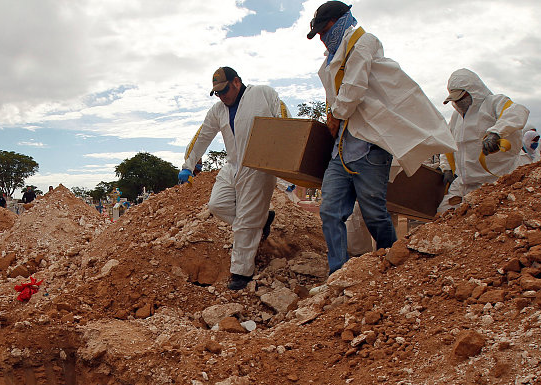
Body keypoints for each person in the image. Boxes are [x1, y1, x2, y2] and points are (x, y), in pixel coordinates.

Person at [307, 1, 455, 274]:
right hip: (342, 148)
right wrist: (334, 118)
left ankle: (391, 265)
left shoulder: (363, 43)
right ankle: (337, 272)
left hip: (370, 147)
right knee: (330, 211)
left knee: (374, 214)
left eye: (324, 30)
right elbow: (338, 94)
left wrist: (335, 114)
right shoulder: (332, 59)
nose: (322, 38)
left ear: (340, 21)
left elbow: (354, 88)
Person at [181, 67, 286, 290]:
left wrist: (286, 162)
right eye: (217, 93)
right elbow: (202, 136)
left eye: (224, 90)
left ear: (236, 82)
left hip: (259, 166)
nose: (222, 96)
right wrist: (188, 166)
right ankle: (262, 220)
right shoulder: (218, 110)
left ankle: (241, 273)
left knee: (247, 222)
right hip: (233, 165)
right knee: (217, 204)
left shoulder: (262, 94)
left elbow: (284, 119)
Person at [438, 68, 529, 212]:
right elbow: (447, 142)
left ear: (473, 91)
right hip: (465, 183)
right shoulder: (456, 118)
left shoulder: (494, 103)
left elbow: (518, 112)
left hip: (496, 181)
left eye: (461, 97)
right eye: (455, 99)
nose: (458, 103)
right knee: (443, 213)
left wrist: (496, 133)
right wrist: (447, 168)